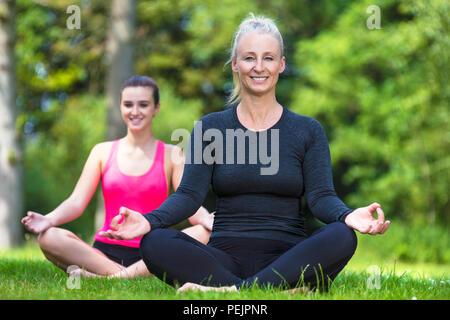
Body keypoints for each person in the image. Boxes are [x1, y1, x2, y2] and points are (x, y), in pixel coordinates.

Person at [101, 14, 390, 292]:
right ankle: (277, 289)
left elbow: (321, 198)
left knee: (341, 235)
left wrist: (348, 215)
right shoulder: (210, 128)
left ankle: (231, 290)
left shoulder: (307, 130)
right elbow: (188, 196)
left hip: (287, 257)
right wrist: (149, 220)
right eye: (249, 57)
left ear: (281, 65)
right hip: (223, 258)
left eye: (268, 58)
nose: (259, 67)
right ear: (235, 64)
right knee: (155, 242)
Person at [21, 75, 214, 279]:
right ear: (120, 107)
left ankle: (112, 278)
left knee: (205, 232)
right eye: (128, 104)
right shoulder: (102, 152)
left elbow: (187, 200)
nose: (135, 111)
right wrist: (48, 219)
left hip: (153, 249)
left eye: (143, 105)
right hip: (104, 252)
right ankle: (133, 276)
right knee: (49, 237)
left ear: (156, 108)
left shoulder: (172, 155)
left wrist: (207, 219)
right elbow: (77, 201)